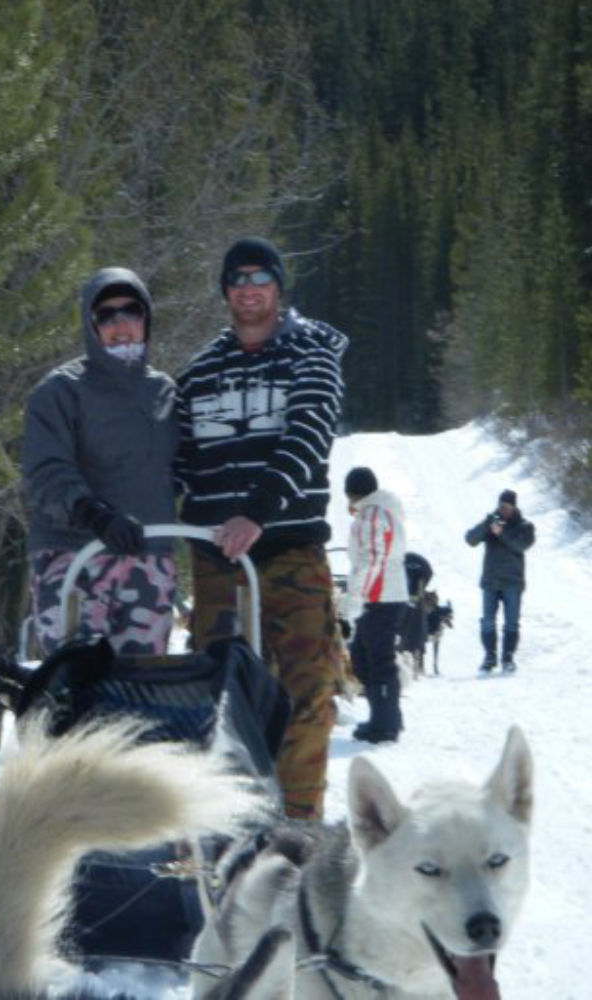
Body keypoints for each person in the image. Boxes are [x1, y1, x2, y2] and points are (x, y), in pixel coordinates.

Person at [175, 236, 348, 820]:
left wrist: (258, 511)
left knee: (308, 692)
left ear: (278, 287)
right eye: (237, 280)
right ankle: (227, 827)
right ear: (225, 291)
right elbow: (175, 461)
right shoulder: (198, 374)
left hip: (289, 552)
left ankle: (300, 831)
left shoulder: (311, 355)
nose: (249, 290)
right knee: (215, 700)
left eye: (260, 279)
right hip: (219, 563)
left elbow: (307, 438)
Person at [21, 266, 178, 657]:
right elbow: (46, 472)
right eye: (106, 315)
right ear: (90, 324)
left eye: (131, 311)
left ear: (147, 318)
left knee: (140, 689)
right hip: (74, 555)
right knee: (81, 682)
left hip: (147, 560)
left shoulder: (167, 393)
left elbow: (191, 468)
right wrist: (95, 514)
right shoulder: (61, 391)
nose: (120, 324)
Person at [343, 466, 409, 743]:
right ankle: (385, 717)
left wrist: (355, 599)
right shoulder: (384, 510)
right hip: (386, 594)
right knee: (363, 657)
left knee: (375, 660)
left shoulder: (371, 515)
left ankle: (385, 725)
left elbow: (371, 559)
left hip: (379, 596)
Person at [465, 488, 536, 672]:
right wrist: (486, 526)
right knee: (488, 621)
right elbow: (470, 539)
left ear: (514, 507)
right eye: (501, 506)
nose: (503, 509)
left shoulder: (524, 526)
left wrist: (501, 533)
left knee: (511, 622)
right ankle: (490, 656)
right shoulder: (491, 522)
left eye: (507, 506)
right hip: (490, 581)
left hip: (513, 582)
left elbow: (521, 545)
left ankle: (508, 658)